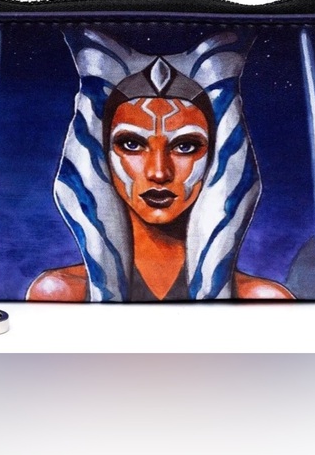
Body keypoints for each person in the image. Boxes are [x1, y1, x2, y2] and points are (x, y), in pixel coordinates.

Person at [27, 33, 292, 302]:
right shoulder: (61, 293)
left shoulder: (262, 300)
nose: (159, 172)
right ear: (101, 154)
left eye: (185, 146)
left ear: (216, 155)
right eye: (131, 144)